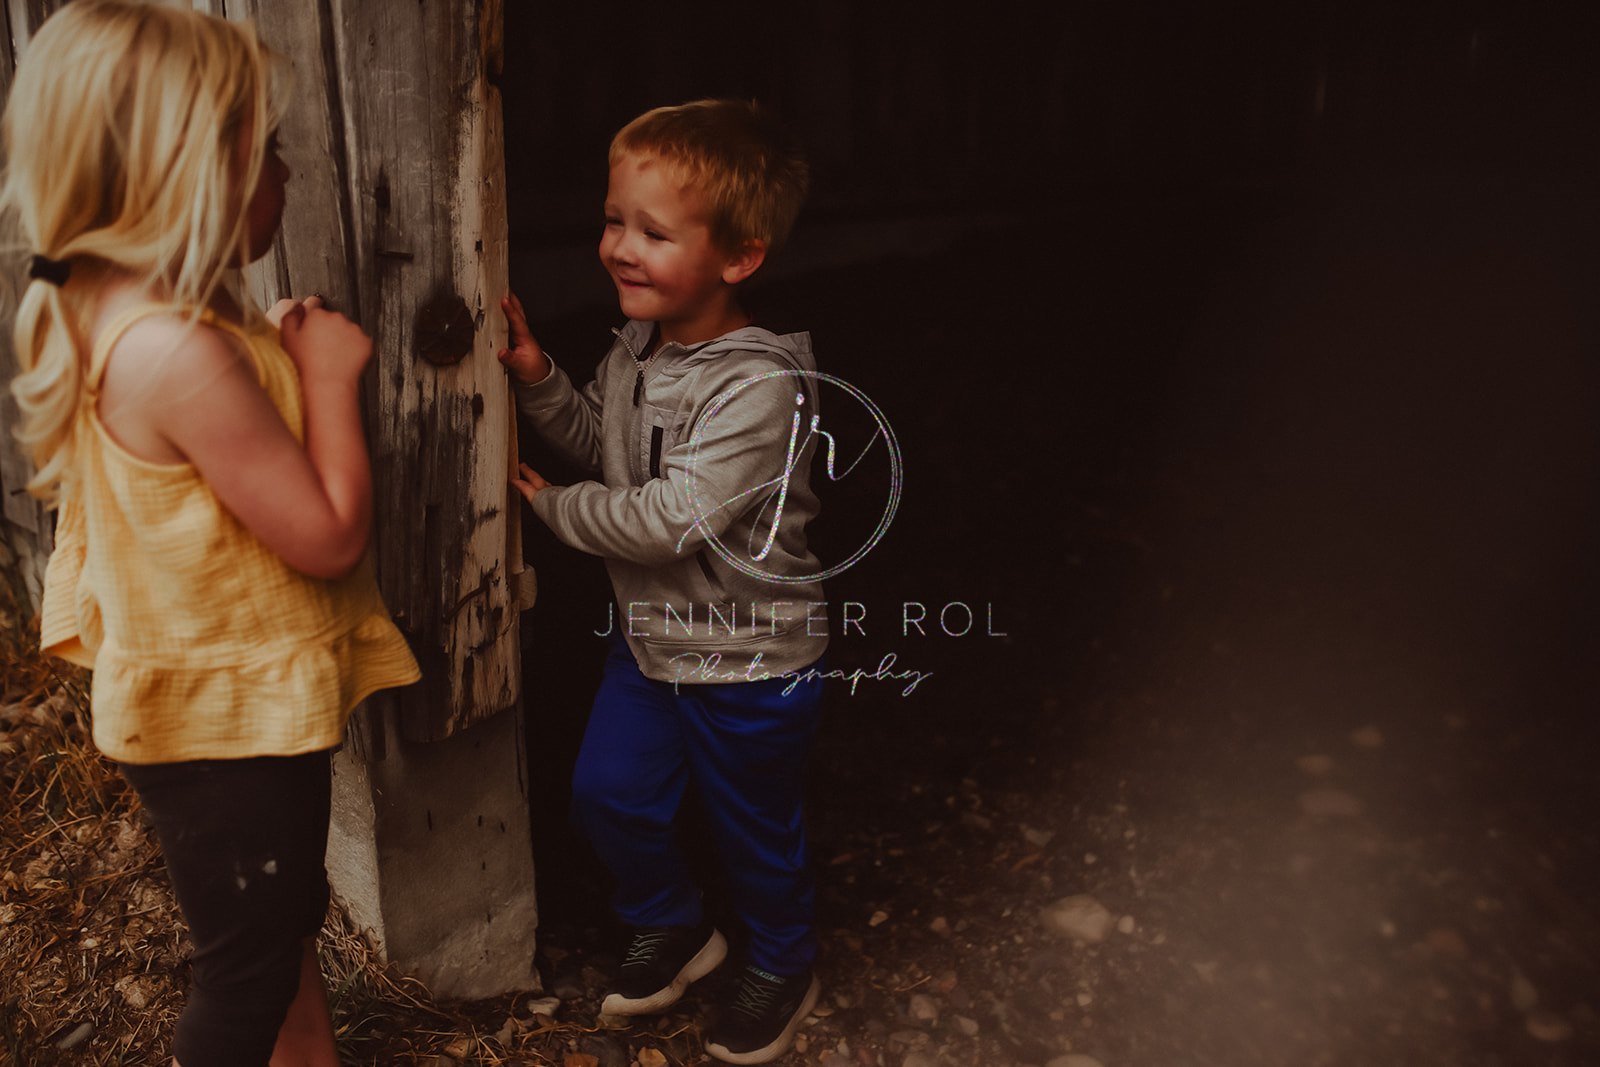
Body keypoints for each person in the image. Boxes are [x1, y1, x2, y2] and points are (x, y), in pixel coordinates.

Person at [1, 3, 421, 1065]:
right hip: (228, 725)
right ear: (189, 177)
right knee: (245, 972)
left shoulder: (126, 306)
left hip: (203, 702)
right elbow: (324, 534)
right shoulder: (176, 352)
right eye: (269, 149)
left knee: (275, 932)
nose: (286, 169)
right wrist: (326, 380)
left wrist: (272, 350)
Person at [500, 98, 826, 1064]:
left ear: (739, 258)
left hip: (748, 658)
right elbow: (602, 439)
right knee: (609, 793)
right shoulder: (639, 348)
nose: (619, 248)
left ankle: (781, 958)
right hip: (652, 641)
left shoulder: (756, 385)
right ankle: (674, 922)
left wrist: (553, 508)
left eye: (653, 232)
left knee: (753, 827)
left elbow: (663, 517)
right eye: (614, 221)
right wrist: (536, 379)